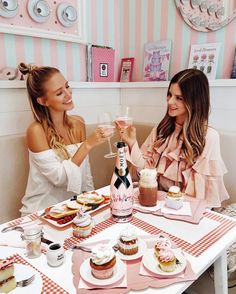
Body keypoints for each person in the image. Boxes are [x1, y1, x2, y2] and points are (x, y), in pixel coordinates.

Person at [117, 68, 229, 208]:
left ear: (195, 101)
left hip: (188, 210)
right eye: (169, 95)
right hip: (157, 205)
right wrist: (132, 142)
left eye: (179, 98)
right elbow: (144, 173)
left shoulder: (209, 138)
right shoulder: (161, 129)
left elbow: (203, 197)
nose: (170, 101)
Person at [18, 63, 113, 215]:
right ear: (43, 101)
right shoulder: (36, 131)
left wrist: (93, 201)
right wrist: (87, 145)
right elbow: (60, 179)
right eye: (59, 93)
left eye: (67, 86)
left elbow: (85, 173)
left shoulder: (78, 123)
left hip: (74, 209)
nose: (68, 94)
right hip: (42, 212)